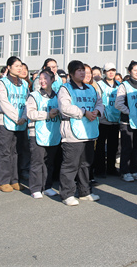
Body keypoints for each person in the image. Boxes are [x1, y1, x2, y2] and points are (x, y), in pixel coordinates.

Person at [57, 60, 104, 206]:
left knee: (86, 164)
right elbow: (65, 108)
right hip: (72, 133)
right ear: (71, 73)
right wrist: (84, 112)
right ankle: (67, 194)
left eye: (83, 70)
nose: (82, 73)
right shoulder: (65, 88)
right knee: (71, 164)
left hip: (88, 132)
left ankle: (85, 192)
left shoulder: (91, 88)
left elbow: (99, 103)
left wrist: (97, 111)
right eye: (79, 70)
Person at [0, 56, 29, 192]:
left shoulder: (24, 84)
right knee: (5, 152)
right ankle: (3, 181)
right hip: (5, 122)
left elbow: (27, 102)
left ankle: (14, 180)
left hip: (21, 123)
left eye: (21, 66)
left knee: (16, 152)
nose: (19, 68)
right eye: (16, 66)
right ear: (9, 67)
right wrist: (16, 117)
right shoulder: (2, 83)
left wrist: (24, 117)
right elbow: (3, 102)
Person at [25, 68, 60, 199]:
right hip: (37, 133)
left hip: (53, 133)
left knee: (49, 162)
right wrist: (47, 114)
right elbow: (30, 113)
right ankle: (35, 188)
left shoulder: (57, 96)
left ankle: (47, 186)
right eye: (40, 78)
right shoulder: (34, 95)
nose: (42, 81)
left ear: (52, 80)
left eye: (45, 78)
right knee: (37, 161)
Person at [115, 60, 137, 182]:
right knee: (127, 147)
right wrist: (130, 112)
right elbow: (118, 104)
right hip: (127, 122)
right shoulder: (124, 85)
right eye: (135, 70)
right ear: (129, 71)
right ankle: (125, 171)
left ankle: (134, 171)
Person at [95, 62, 120, 178]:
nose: (111, 73)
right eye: (109, 71)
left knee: (113, 145)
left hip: (115, 119)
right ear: (104, 72)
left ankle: (111, 168)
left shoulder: (119, 85)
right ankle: (100, 169)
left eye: (113, 70)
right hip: (103, 119)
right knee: (100, 146)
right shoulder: (99, 85)